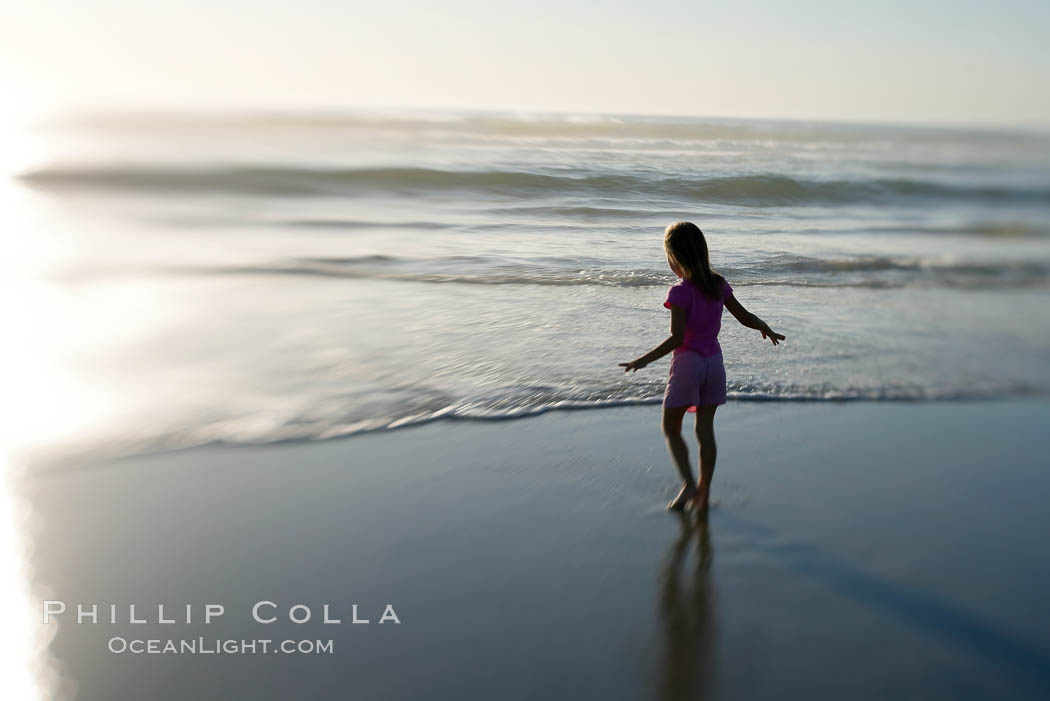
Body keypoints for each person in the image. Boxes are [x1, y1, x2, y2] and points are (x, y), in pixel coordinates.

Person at [619, 222, 785, 512]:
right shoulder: (718, 284)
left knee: (671, 427)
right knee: (705, 430)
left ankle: (689, 487)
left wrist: (642, 360)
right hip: (715, 364)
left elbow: (678, 338)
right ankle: (704, 494)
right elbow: (744, 316)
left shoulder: (680, 292)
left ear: (674, 258)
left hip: (688, 365)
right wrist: (766, 327)